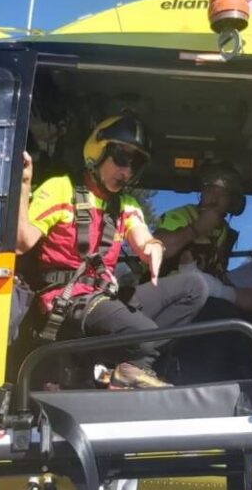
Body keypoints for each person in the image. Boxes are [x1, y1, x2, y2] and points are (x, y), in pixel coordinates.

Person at [16, 114, 208, 389]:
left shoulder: (126, 204)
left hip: (105, 297)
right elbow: (22, 242)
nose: (127, 172)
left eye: (136, 164)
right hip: (67, 302)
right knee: (144, 335)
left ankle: (123, 365)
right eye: (120, 158)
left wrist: (153, 247)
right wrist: (24, 188)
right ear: (99, 151)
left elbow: (143, 238)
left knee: (194, 287)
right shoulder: (61, 189)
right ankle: (133, 368)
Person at [156, 161, 252, 317]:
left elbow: (217, 272)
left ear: (233, 202)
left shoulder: (224, 231)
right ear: (202, 192)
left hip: (206, 298)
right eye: (210, 191)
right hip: (171, 302)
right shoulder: (180, 217)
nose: (214, 200)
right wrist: (196, 229)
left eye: (223, 194)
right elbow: (159, 249)